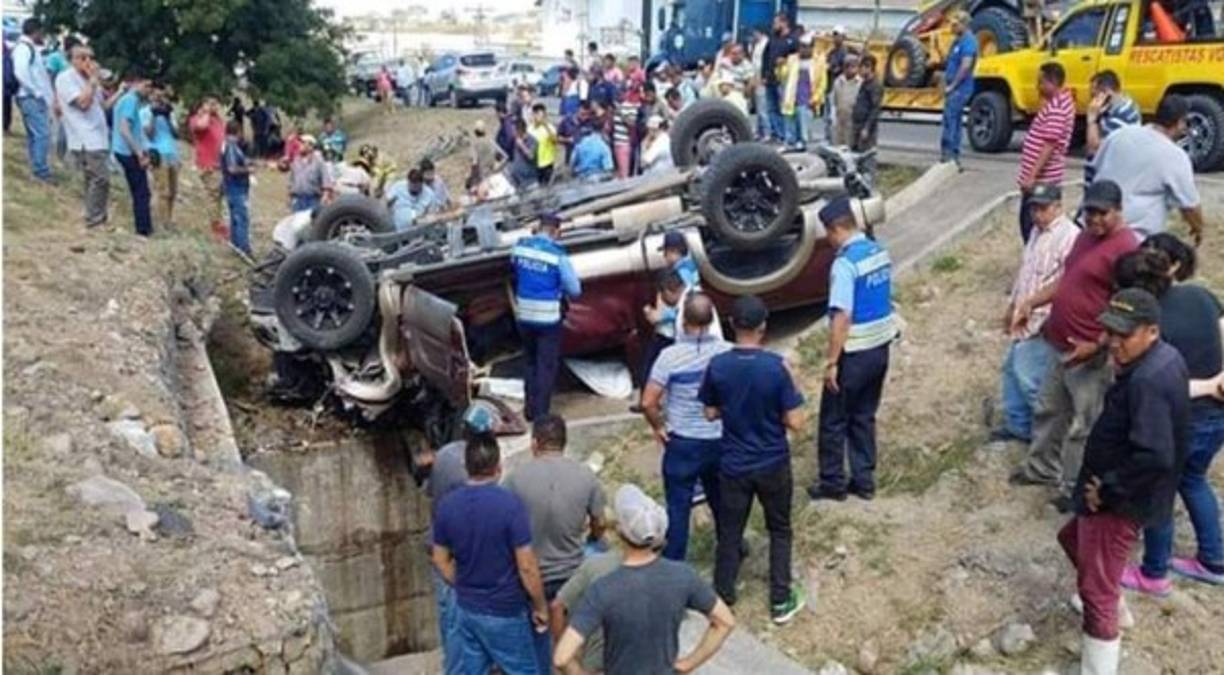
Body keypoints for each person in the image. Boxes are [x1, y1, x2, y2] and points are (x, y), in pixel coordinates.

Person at [1057, 287, 1188, 675]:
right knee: (1070, 539)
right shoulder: (1163, 360)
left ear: (1151, 331)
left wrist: (1109, 489)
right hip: (1109, 489)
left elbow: (1155, 455)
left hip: (1117, 500)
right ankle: (1114, 604)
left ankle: (1099, 662)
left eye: (1124, 336)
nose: (1114, 343)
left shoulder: (1148, 380)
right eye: (1111, 333)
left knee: (1094, 591)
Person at [1010, 181, 1140, 509]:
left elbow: (1124, 310)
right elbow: (1067, 280)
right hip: (1059, 340)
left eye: (1102, 213)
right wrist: (1030, 301)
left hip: (1090, 353)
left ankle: (1074, 487)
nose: (1094, 219)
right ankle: (1040, 468)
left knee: (1084, 425)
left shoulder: (1126, 249)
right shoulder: (1085, 236)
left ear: (1118, 210)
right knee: (1049, 409)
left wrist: (1097, 346)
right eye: (1090, 212)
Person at [1112, 237, 1224, 592]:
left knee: (1159, 491)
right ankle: (1214, 560)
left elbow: (1165, 385)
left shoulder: (1149, 329)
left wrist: (1206, 386)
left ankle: (1154, 572)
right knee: (1193, 480)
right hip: (1218, 416)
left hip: (1184, 418)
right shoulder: (1200, 296)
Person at [700, 295, 806, 624]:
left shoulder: (718, 365)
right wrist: (793, 380)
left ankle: (723, 595)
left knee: (730, 531)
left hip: (733, 463)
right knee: (780, 529)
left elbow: (709, 412)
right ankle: (779, 600)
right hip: (772, 461)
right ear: (763, 327)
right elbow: (796, 422)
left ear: (732, 324)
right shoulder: (775, 368)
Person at [553, 484, 736, 675]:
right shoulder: (683, 576)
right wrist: (687, 664)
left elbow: (562, 657)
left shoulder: (603, 589)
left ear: (621, 532)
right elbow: (725, 622)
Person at [431, 433, 550, 675]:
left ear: (466, 466)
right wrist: (540, 606)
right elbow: (526, 566)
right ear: (498, 467)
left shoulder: (447, 506)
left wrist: (462, 583)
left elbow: (439, 559)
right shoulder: (511, 506)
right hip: (505, 609)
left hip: (467, 609)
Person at [808, 197, 898, 502]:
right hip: (880, 348)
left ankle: (832, 483)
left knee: (834, 420)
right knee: (864, 415)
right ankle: (864, 480)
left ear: (834, 230)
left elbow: (842, 316)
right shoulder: (878, 252)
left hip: (855, 352)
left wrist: (831, 362)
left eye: (827, 234)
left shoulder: (845, 265)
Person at [642, 292, 733, 561]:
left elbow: (648, 402)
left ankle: (674, 562)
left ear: (683, 322)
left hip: (682, 441)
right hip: (719, 439)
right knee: (722, 502)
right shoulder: (726, 352)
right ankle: (731, 548)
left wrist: (659, 427)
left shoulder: (669, 357)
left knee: (678, 507)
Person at [995, 184, 1079, 444]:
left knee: (1031, 378)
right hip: (1024, 316)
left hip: (1044, 320)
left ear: (1058, 206)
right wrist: (1013, 305)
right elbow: (1026, 272)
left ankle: (1051, 434)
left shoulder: (1070, 237)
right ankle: (1019, 426)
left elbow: (1068, 283)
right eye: (1034, 208)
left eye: (1043, 208)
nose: (1037, 214)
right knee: (1012, 370)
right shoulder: (1035, 232)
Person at [418, 404, 497, 675]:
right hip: (459, 556)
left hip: (439, 545)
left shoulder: (446, 454)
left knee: (448, 621)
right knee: (462, 628)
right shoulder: (471, 471)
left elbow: (430, 491)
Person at [504, 414, 607, 601]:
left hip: (529, 575)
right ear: (564, 443)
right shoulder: (586, 476)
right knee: (602, 548)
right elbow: (600, 524)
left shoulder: (514, 479)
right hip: (572, 573)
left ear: (535, 443)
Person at [1091, 94, 1204, 244]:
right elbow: (1190, 206)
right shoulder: (1174, 156)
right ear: (1180, 122)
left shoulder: (1119, 134)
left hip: (1093, 226)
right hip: (1132, 239)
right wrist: (1198, 229)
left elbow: (1096, 166)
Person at [512, 213, 581, 421]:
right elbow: (575, 289)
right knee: (546, 366)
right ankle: (542, 414)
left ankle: (530, 409)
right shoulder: (557, 255)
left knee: (530, 362)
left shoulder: (519, 248)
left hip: (524, 315)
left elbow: (515, 272)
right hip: (548, 319)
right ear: (556, 232)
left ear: (538, 228)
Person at [1017, 63, 1075, 242]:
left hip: (1043, 180)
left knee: (1033, 225)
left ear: (1052, 82)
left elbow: (1049, 144)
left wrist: (1032, 176)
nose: (1038, 87)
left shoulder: (1058, 108)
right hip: (1041, 178)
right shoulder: (1056, 103)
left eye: (1041, 82)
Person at [55, 42, 110, 229]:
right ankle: (95, 219)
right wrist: (93, 81)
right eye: (82, 57)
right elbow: (83, 103)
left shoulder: (88, 79)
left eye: (91, 57)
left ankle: (95, 216)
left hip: (99, 135)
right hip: (85, 136)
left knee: (93, 179)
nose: (88, 62)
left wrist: (116, 91)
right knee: (101, 178)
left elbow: (102, 106)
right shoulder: (65, 79)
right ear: (72, 60)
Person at [12, 18, 55, 182]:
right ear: (36, 31)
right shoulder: (24, 48)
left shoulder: (27, 47)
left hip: (30, 97)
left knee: (35, 135)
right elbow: (21, 72)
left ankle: (37, 166)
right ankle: (41, 170)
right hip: (30, 97)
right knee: (42, 134)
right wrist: (36, 91)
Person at [112, 73, 154, 236]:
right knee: (141, 192)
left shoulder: (126, 100)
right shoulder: (130, 100)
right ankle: (143, 229)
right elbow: (125, 129)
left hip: (123, 149)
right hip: (127, 151)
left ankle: (143, 227)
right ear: (136, 83)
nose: (148, 90)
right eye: (146, 86)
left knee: (140, 190)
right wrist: (139, 154)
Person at [1083, 71, 1140, 183]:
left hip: (1107, 182)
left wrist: (1092, 119)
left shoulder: (1122, 114)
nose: (1092, 101)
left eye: (1094, 96)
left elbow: (1094, 148)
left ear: (1105, 93)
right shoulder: (1114, 109)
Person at [941, 11, 978, 166]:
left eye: (955, 25)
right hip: (953, 87)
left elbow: (965, 66)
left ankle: (951, 154)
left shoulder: (968, 42)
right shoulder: (957, 41)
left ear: (964, 24)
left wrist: (953, 85)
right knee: (950, 119)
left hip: (960, 88)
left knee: (952, 119)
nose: (952, 28)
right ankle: (949, 154)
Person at [142, 84, 181, 229]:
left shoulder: (168, 112)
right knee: (163, 190)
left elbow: (177, 134)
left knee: (173, 190)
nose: (159, 100)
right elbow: (149, 134)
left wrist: (168, 116)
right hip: (157, 152)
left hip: (173, 153)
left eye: (161, 96)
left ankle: (169, 218)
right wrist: (153, 115)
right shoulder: (145, 112)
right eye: (156, 96)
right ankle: (164, 222)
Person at [779, 34, 827, 150]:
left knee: (804, 124)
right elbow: (783, 77)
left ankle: (803, 144)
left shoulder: (818, 62)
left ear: (811, 48)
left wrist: (816, 98)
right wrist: (781, 67)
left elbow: (822, 84)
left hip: (807, 99)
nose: (803, 49)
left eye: (806, 47)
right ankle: (790, 143)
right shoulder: (792, 59)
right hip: (792, 97)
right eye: (801, 47)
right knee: (790, 121)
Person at [190, 97, 227, 239]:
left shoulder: (217, 120)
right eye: (210, 104)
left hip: (220, 164)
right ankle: (215, 225)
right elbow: (201, 127)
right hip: (208, 165)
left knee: (219, 196)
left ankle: (219, 221)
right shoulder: (197, 119)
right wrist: (205, 112)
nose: (214, 106)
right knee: (213, 195)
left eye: (215, 104)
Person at [763, 13, 799, 143]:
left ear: (784, 23)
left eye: (776, 23)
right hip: (771, 78)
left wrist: (785, 60)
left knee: (784, 107)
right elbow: (765, 57)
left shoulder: (793, 40)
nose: (774, 26)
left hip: (784, 80)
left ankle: (786, 134)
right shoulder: (772, 39)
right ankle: (776, 133)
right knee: (771, 108)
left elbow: (797, 58)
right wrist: (764, 74)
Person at [220, 120, 253, 255]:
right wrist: (248, 170)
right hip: (237, 187)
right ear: (238, 131)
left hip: (230, 187)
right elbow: (232, 168)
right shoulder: (232, 146)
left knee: (234, 218)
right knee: (241, 218)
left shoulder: (225, 145)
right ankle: (244, 249)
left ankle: (235, 247)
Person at [851, 54, 883, 181]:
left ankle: (870, 181)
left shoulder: (875, 85)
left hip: (866, 126)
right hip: (858, 124)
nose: (860, 71)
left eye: (862, 68)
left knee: (868, 155)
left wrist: (867, 128)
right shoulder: (864, 83)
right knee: (858, 155)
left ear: (869, 68)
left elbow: (875, 109)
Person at [287, 135, 334, 212]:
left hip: (313, 200)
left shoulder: (319, 162)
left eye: (303, 143)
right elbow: (291, 181)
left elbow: (326, 182)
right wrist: (290, 198)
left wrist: (325, 198)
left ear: (310, 146)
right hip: (298, 200)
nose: (300, 145)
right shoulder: (296, 161)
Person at [469, 119, 508, 190]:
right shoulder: (491, 142)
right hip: (494, 174)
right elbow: (504, 157)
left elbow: (474, 163)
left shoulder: (475, 145)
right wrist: (497, 167)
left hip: (483, 177)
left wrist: (472, 178)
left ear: (475, 132)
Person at [830, 55, 861, 147]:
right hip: (839, 118)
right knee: (837, 145)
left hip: (852, 119)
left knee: (849, 145)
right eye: (848, 66)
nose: (850, 69)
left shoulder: (860, 83)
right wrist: (833, 116)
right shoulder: (838, 82)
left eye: (853, 66)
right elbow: (834, 100)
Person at [749, 27, 772, 140]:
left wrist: (763, 77)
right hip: (755, 76)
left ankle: (767, 132)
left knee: (763, 106)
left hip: (760, 76)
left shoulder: (765, 44)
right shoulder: (756, 45)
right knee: (758, 106)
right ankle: (759, 131)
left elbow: (762, 63)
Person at [528, 103, 558, 185]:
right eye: (538, 115)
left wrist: (545, 126)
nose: (540, 118)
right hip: (535, 164)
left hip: (547, 163)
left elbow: (555, 141)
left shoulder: (550, 128)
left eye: (543, 115)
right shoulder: (530, 129)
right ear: (534, 115)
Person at [510, 119, 540, 191]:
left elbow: (531, 156)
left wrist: (522, 146)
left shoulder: (532, 141)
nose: (512, 133)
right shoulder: (516, 139)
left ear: (520, 130)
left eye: (513, 130)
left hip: (530, 183)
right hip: (518, 182)